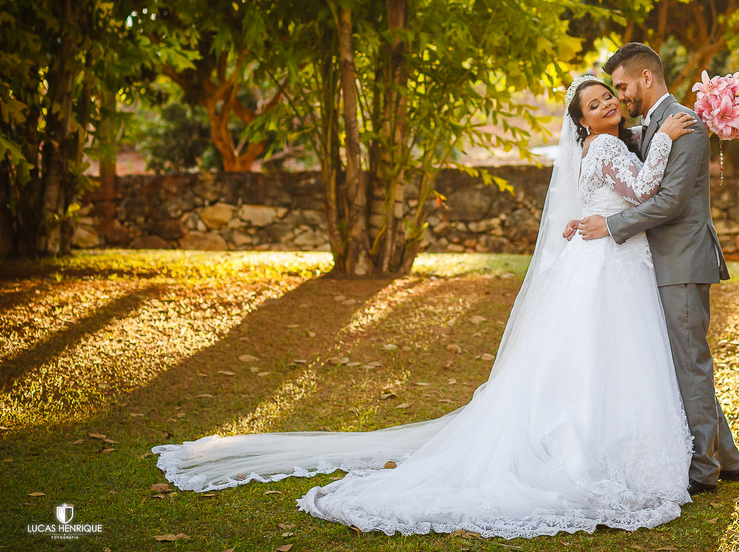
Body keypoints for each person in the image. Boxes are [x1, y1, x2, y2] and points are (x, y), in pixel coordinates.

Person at [152, 75, 700, 539]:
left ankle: (585, 445)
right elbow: (644, 189)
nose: (607, 105)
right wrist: (667, 139)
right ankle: (598, 455)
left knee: (590, 360)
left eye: (609, 98)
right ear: (582, 122)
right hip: (607, 265)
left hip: (602, 259)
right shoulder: (605, 145)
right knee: (609, 357)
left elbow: (598, 201)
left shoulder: (589, 149)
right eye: (595, 104)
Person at [567, 42, 739, 494]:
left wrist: (609, 224)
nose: (618, 96)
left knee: (690, 365)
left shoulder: (683, 123)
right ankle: (727, 459)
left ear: (646, 79)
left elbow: (668, 201)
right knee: (683, 363)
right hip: (652, 263)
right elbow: (614, 168)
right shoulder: (647, 126)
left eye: (621, 86)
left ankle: (703, 473)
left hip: (681, 259)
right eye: (610, 92)